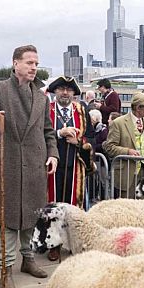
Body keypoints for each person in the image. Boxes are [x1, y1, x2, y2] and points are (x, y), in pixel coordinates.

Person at [0, 45, 59, 288]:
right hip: (10, 163)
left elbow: (47, 131)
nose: (34, 67)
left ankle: (28, 259)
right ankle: (6, 270)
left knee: (32, 216)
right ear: (15, 63)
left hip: (35, 163)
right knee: (10, 219)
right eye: (30, 62)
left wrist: (53, 153)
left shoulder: (42, 97)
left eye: (37, 63)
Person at [46, 76, 92, 224]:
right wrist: (60, 133)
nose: (65, 93)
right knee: (52, 206)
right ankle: (51, 241)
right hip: (51, 166)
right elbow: (38, 134)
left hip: (75, 166)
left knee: (72, 210)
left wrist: (78, 141)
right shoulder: (46, 109)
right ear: (55, 91)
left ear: (74, 93)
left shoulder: (81, 111)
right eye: (61, 89)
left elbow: (91, 138)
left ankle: (71, 240)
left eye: (69, 90)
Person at [103, 93, 144, 198]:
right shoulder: (119, 123)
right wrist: (127, 152)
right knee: (127, 206)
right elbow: (109, 147)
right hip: (127, 172)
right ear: (138, 107)